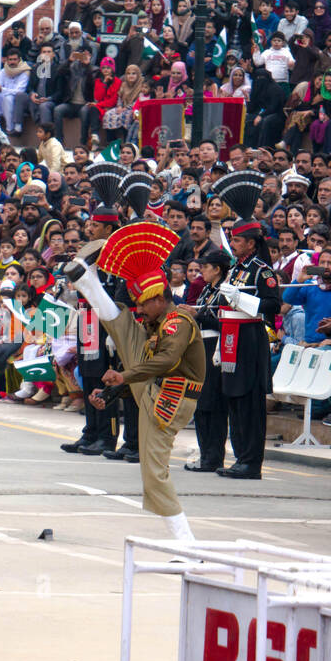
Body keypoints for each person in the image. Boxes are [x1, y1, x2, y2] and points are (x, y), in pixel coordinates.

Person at [66, 223, 206, 542]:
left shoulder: (179, 323)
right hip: (156, 392)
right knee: (125, 329)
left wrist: (123, 376)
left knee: (154, 475)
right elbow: (143, 369)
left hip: (171, 400)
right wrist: (114, 392)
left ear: (158, 297)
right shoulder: (158, 323)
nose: (141, 308)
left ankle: (187, 544)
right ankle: (89, 282)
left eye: (143, 303)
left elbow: (164, 362)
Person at [217, 217, 282, 479]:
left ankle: (251, 462)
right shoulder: (235, 269)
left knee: (249, 402)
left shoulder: (261, 270)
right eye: (232, 239)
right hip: (231, 335)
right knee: (234, 399)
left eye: (237, 240)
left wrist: (243, 299)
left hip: (250, 336)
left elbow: (273, 305)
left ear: (251, 243)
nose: (233, 244)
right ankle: (240, 456)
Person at [60, 206, 123, 456]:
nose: (90, 228)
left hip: (104, 323)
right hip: (86, 320)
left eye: (96, 225)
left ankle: (107, 436)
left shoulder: (116, 258)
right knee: (87, 376)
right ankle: (90, 432)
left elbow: (116, 297)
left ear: (108, 229)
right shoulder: (88, 254)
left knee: (103, 379)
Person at [186, 249, 233, 472]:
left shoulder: (226, 292)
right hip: (199, 346)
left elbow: (225, 323)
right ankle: (205, 453)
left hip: (216, 348)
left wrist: (199, 316)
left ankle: (214, 456)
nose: (201, 272)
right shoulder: (206, 290)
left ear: (217, 269)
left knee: (213, 405)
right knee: (200, 405)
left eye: (205, 267)